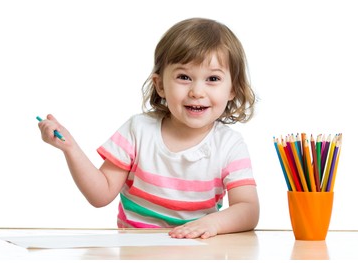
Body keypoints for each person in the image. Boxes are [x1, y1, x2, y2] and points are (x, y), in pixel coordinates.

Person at [38, 17, 259, 239]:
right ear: (160, 84)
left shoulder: (230, 145)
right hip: (136, 253)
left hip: (198, 252)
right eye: (184, 77)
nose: (197, 91)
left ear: (233, 89)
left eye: (212, 78)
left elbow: (248, 209)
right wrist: (71, 149)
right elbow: (100, 195)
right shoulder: (138, 131)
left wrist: (213, 224)